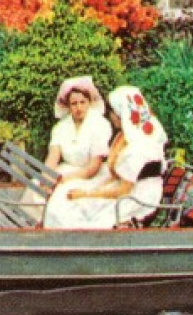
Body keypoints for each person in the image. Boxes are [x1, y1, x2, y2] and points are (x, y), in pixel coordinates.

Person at [42, 87, 167, 230]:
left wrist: (87, 194)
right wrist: (94, 188)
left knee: (78, 208)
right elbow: (118, 178)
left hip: (138, 198)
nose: (110, 117)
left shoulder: (137, 147)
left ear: (120, 113)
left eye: (111, 113)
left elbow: (123, 190)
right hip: (130, 189)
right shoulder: (128, 135)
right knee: (71, 197)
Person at [44, 75, 113, 184]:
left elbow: (93, 167)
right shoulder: (61, 127)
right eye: (74, 103)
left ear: (89, 102)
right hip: (65, 170)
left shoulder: (100, 124)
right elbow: (53, 157)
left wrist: (64, 180)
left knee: (63, 193)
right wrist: (46, 178)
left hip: (91, 176)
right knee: (37, 189)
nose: (79, 108)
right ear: (68, 105)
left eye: (82, 102)